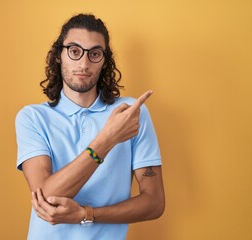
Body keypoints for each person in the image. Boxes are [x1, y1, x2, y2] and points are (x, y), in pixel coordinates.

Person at [15, 13, 165, 240]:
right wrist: (107, 139)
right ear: (59, 55)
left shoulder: (130, 113)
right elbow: (45, 199)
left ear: (104, 60)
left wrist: (86, 214)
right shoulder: (32, 117)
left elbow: (154, 203)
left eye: (94, 54)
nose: (83, 64)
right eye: (74, 51)